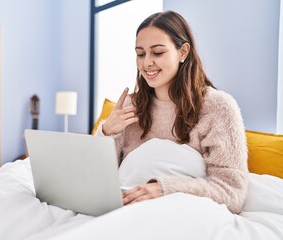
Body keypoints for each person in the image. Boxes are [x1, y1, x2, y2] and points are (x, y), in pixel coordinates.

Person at [95, 11, 248, 214]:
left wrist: (164, 189)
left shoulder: (218, 107)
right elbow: (96, 180)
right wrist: (107, 133)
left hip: (178, 213)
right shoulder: (131, 106)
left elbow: (231, 192)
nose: (146, 62)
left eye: (157, 53)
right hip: (121, 210)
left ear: (183, 52)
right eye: (140, 54)